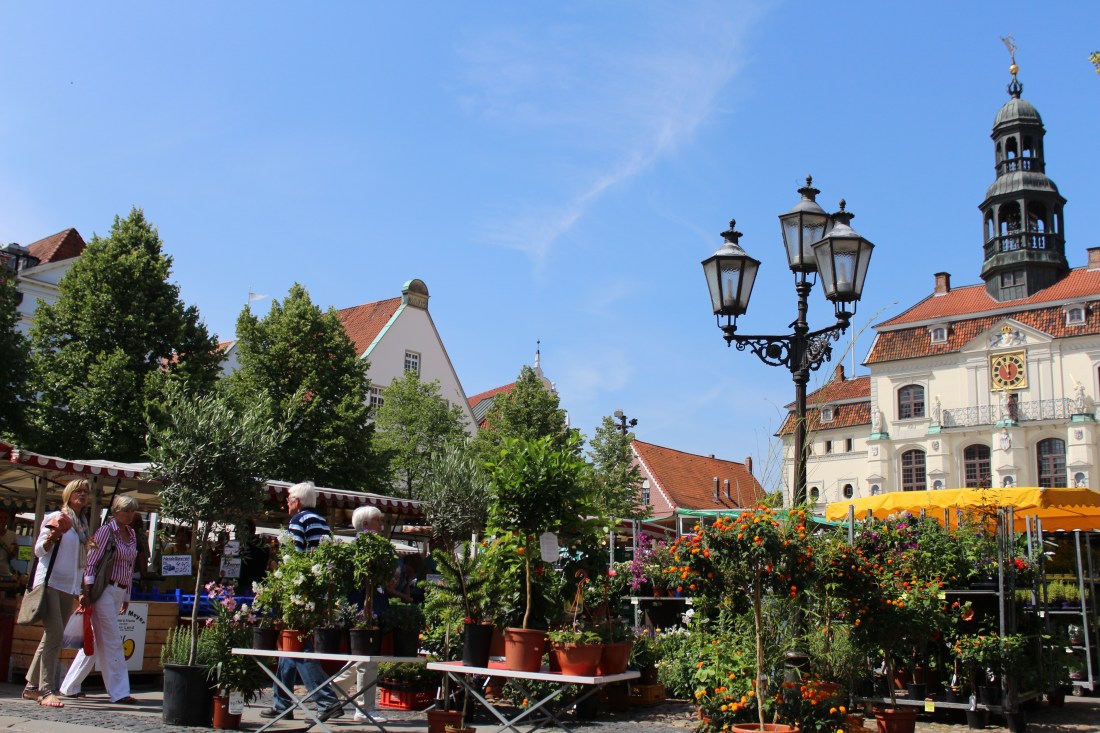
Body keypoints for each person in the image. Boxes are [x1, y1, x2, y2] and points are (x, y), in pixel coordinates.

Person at [261, 482, 342, 722]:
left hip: (299, 588)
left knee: (296, 644)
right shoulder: (321, 521)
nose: (286, 502)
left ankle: (326, 700)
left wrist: (279, 571)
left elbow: (294, 555)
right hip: (316, 588)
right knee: (290, 643)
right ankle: (282, 702)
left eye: (288, 498)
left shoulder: (298, 521)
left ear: (297, 500)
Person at [58, 494, 141, 704]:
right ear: (115, 512)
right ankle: (120, 692)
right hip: (104, 590)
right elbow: (92, 562)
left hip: (119, 590)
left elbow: (129, 568)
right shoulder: (106, 531)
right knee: (112, 640)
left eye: (132, 511)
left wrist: (127, 594)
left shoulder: (131, 534)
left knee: (96, 640)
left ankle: (69, 686)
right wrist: (86, 591)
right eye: (125, 510)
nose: (129, 515)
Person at [23, 479, 91, 707]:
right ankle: (45, 690)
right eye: (78, 491)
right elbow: (39, 550)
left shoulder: (82, 525)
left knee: (50, 637)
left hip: (67, 587)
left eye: (86, 492)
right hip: (50, 583)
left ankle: (31, 688)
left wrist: (80, 588)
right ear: (69, 495)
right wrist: (54, 535)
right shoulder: (58, 517)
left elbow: (78, 562)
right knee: (55, 634)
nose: (83, 494)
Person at [335, 505, 391, 723]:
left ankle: (330, 692)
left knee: (364, 661)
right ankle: (364, 709)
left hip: (372, 608)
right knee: (366, 662)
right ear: (366, 525)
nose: (382, 524)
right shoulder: (360, 549)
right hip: (363, 610)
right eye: (379, 520)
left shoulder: (376, 548)